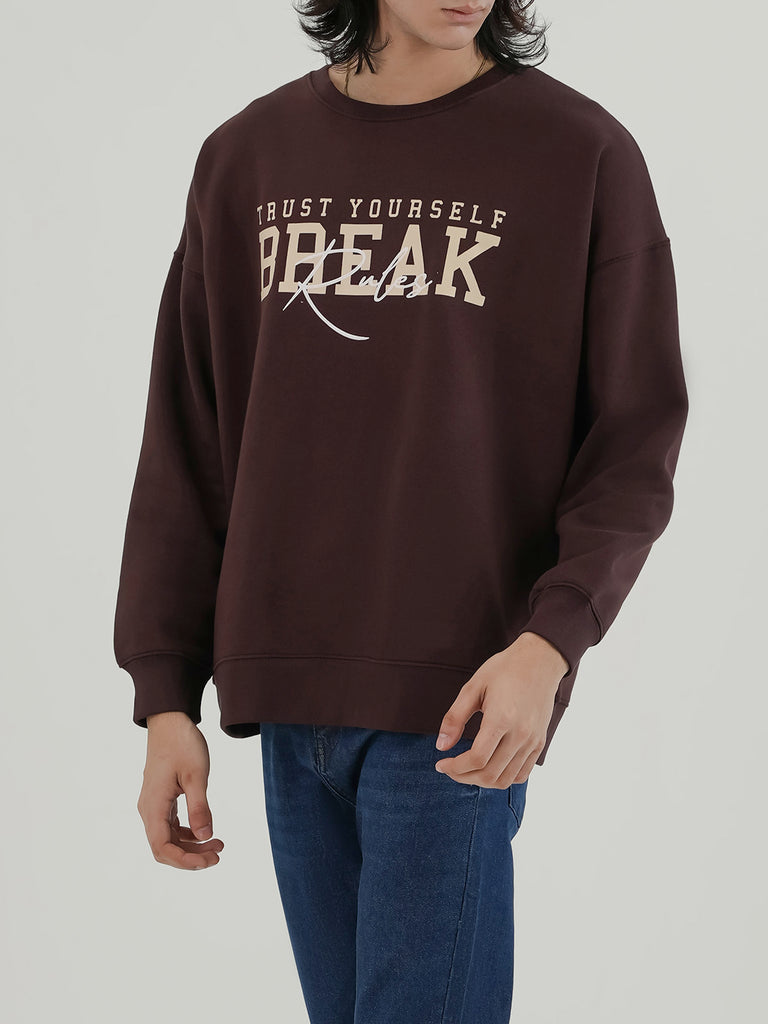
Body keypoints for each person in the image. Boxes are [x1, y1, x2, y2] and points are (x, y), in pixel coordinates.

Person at [113, 2, 689, 1020]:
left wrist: (548, 645)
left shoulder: (578, 153)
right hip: (285, 695)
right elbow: (188, 442)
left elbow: (635, 441)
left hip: (459, 700)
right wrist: (166, 696)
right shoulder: (247, 156)